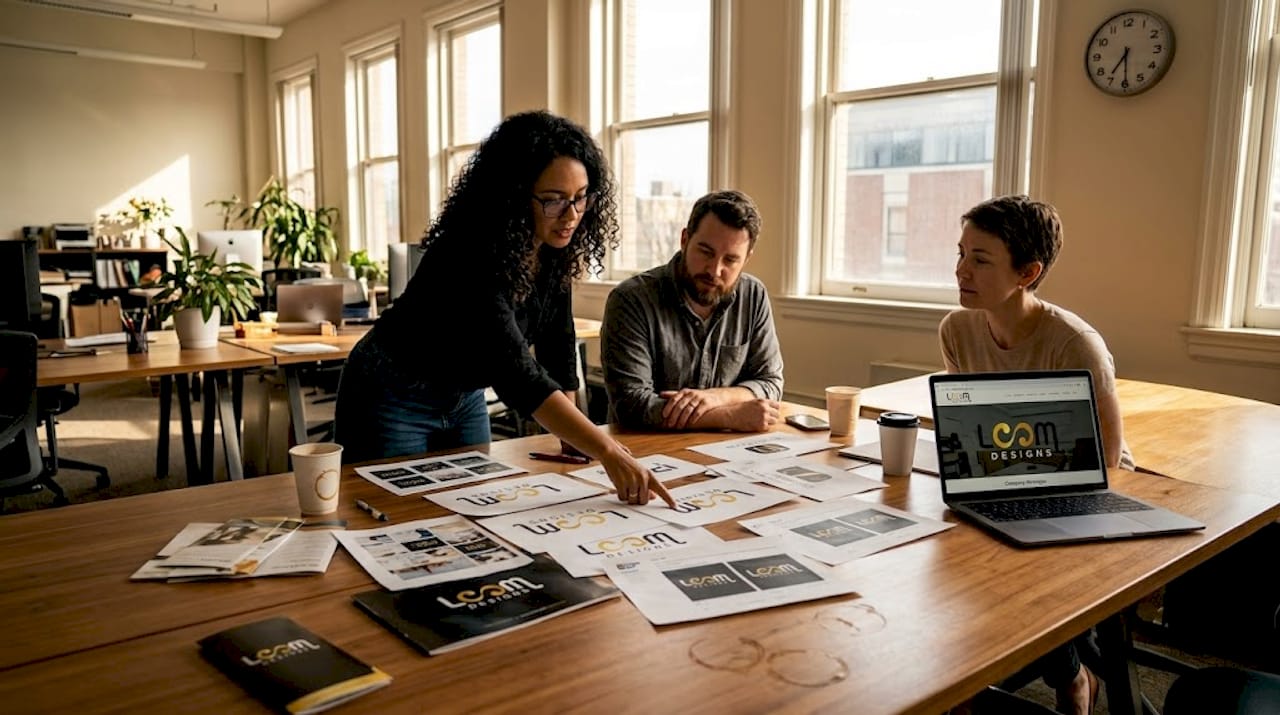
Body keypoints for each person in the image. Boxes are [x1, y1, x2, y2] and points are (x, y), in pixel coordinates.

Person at [334, 110, 673, 508]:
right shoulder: (467, 256)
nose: (572, 216)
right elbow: (517, 374)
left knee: (473, 511)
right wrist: (608, 451)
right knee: (391, 515)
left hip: (463, 397)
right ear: (512, 195)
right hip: (391, 394)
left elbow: (558, 345)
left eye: (581, 198)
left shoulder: (552, 248)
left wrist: (571, 436)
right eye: (553, 200)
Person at [940, 194, 1121, 715]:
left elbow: (1108, 462)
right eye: (960, 253)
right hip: (996, 481)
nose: (960, 270)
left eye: (980, 259)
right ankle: (967, 679)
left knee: (1024, 563)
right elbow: (970, 434)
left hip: (1079, 495)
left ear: (1028, 272)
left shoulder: (1075, 344)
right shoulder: (957, 329)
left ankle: (1071, 677)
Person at [600, 190, 783, 432]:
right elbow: (632, 405)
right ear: (685, 239)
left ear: (746, 259)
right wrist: (728, 416)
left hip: (729, 452)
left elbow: (770, 382)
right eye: (706, 252)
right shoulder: (631, 300)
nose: (715, 270)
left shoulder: (754, 296)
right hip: (644, 451)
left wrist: (717, 397)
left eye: (730, 260)